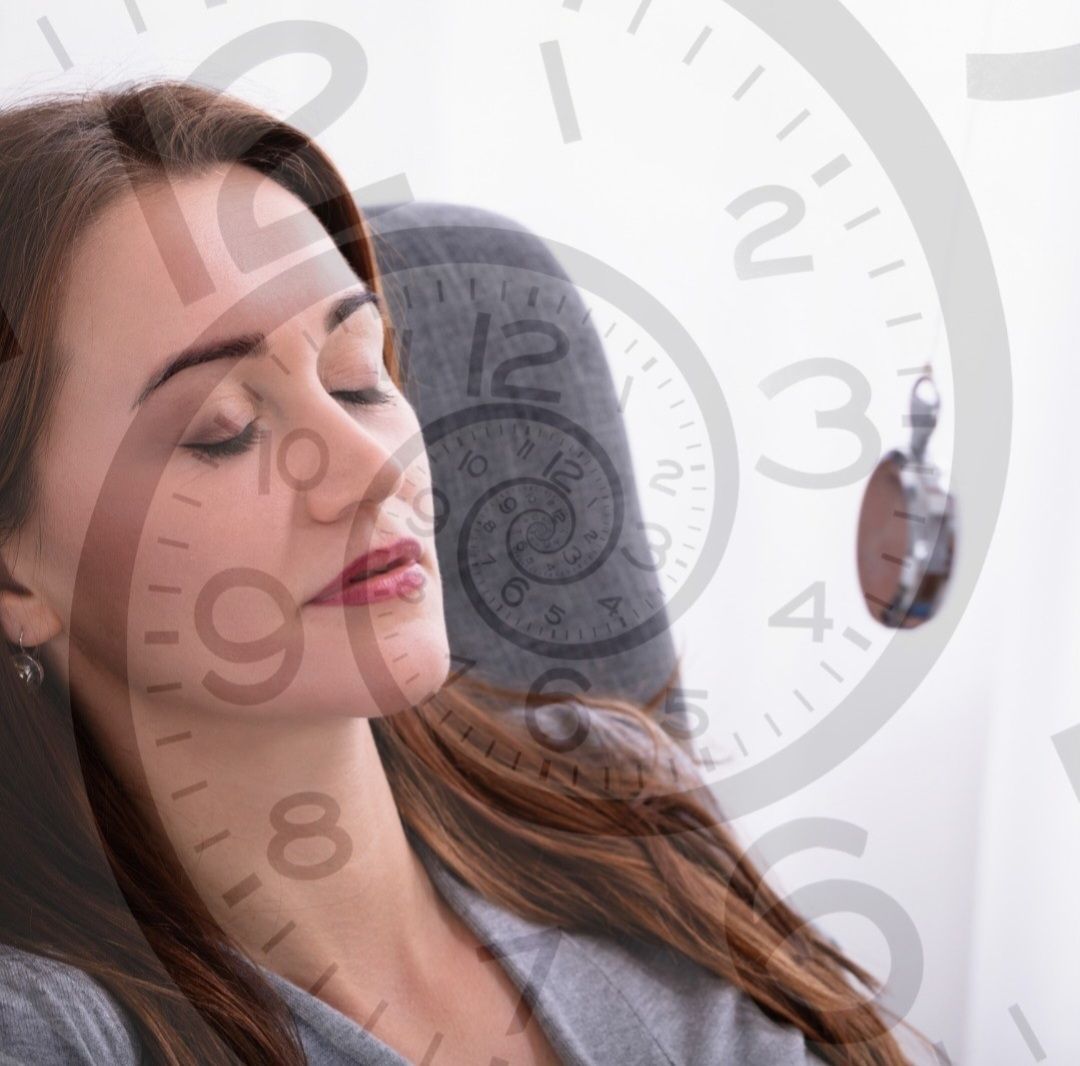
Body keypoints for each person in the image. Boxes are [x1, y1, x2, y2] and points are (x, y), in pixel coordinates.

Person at [0, 78, 932, 1065]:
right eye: (222, 429)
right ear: (16, 579)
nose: (374, 468)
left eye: (358, 376)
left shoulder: (608, 791)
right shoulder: (53, 1032)